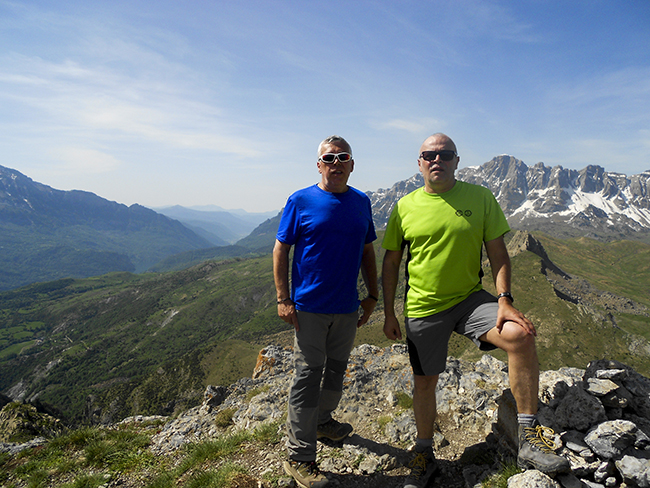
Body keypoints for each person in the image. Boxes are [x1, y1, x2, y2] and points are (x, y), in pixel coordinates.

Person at [382, 133, 570, 488]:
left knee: (520, 335)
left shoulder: (481, 197)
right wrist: (391, 313)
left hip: (470, 300)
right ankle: (424, 453)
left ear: (456, 160)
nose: (437, 159)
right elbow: (391, 262)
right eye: (429, 155)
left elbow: (498, 253)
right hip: (424, 306)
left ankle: (528, 438)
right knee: (425, 381)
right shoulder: (405, 206)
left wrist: (504, 300)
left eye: (445, 154)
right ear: (419, 163)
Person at [274, 135, 379, 488]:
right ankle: (299, 457)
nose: (336, 163)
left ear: (352, 164)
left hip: (347, 309)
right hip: (309, 309)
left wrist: (373, 296)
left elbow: (368, 252)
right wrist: (283, 298)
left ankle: (322, 421)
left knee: (335, 373)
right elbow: (280, 250)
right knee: (307, 377)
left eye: (342, 157)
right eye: (328, 158)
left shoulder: (362, 203)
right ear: (319, 164)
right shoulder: (301, 200)